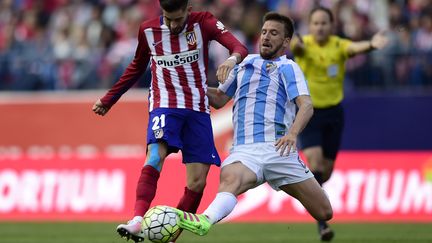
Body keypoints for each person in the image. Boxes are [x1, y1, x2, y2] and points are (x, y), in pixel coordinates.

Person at [92, 0, 248, 242]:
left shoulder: (204, 22)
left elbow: (239, 47)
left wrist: (232, 59)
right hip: (164, 104)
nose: (173, 25)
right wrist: (109, 99)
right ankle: (136, 220)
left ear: (189, 8)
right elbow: (136, 67)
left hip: (197, 108)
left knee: (197, 183)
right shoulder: (148, 30)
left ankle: (171, 237)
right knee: (155, 156)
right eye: (168, 18)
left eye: (178, 19)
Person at [170, 11, 333, 240]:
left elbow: (306, 106)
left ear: (286, 42)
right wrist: (190, 86)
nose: (266, 37)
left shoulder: (289, 68)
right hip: (245, 151)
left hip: (279, 151)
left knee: (325, 211)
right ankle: (205, 220)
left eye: (274, 33)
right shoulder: (245, 63)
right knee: (230, 181)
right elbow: (218, 99)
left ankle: (284, 183)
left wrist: (293, 134)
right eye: (264, 32)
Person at [290, 6, 388, 241]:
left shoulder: (338, 45)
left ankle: (312, 194)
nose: (320, 27)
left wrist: (372, 44)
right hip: (309, 113)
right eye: (316, 23)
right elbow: (295, 46)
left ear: (331, 25)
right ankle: (322, 223)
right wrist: (295, 41)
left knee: (326, 171)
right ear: (310, 26)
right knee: (315, 163)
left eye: (324, 23)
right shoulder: (305, 46)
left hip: (334, 114)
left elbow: (355, 47)